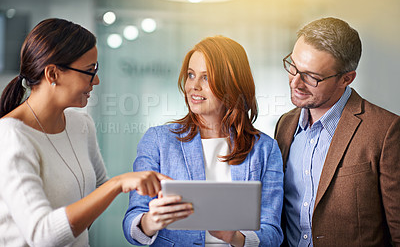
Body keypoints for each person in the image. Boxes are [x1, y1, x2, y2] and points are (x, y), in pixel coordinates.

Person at [0, 18, 169, 247]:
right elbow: (41, 236)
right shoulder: (11, 136)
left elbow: (97, 188)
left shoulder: (81, 124)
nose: (96, 80)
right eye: (90, 71)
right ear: (53, 74)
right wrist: (118, 183)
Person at [122, 36, 284, 246]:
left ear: (232, 84)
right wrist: (151, 221)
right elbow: (132, 222)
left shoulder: (264, 149)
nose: (194, 86)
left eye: (206, 78)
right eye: (191, 75)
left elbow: (272, 232)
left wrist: (235, 237)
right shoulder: (158, 141)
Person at [274, 17, 400, 246]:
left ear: (346, 78)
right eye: (293, 66)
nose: (295, 83)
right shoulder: (284, 125)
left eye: (312, 77)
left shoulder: (386, 132)